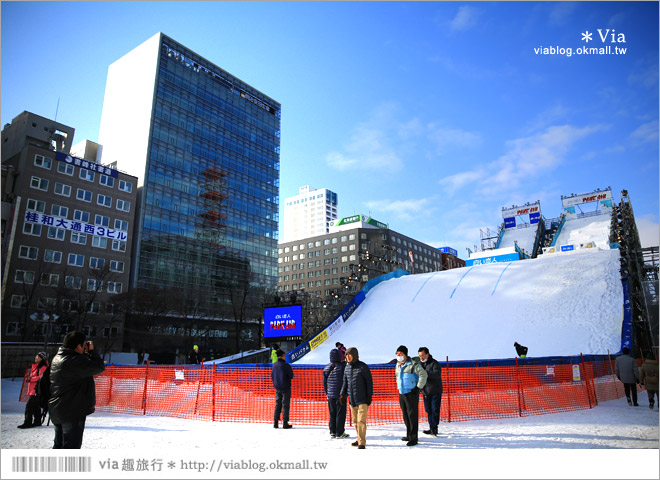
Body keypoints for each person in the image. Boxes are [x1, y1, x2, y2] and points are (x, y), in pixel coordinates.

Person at [49, 331, 105, 449]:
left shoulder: (59, 357)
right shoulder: (74, 361)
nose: (86, 346)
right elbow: (99, 367)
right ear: (79, 346)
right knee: (70, 447)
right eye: (84, 344)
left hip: (59, 408)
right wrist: (92, 352)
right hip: (72, 410)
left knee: (59, 445)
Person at [340, 347, 372, 449]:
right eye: (346, 355)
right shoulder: (347, 368)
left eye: (350, 355)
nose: (348, 357)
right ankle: (359, 438)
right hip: (352, 400)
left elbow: (369, 382)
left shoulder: (362, 367)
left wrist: (369, 395)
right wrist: (342, 394)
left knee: (361, 421)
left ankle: (362, 442)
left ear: (355, 355)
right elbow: (345, 382)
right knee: (355, 422)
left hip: (362, 399)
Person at [395, 345, 427, 446]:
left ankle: (414, 438)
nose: (398, 356)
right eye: (397, 354)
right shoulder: (398, 365)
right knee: (405, 415)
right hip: (402, 393)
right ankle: (409, 434)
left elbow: (423, 375)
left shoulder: (413, 364)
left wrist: (418, 387)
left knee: (412, 415)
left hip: (411, 393)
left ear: (405, 354)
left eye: (400, 354)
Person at [18, 352, 49, 429]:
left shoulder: (43, 367)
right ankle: (37, 421)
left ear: (42, 358)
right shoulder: (37, 366)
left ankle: (28, 422)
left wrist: (31, 379)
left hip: (37, 390)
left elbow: (41, 377)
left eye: (38, 357)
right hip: (34, 389)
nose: (36, 358)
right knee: (36, 406)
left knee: (29, 406)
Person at [323, 348, 348, 439]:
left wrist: (327, 393)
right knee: (340, 414)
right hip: (340, 395)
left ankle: (332, 431)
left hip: (330, 395)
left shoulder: (326, 368)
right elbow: (346, 380)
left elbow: (324, 383)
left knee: (332, 413)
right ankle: (340, 432)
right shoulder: (343, 367)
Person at [418, 346, 442, 437]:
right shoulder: (419, 364)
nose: (421, 357)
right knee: (428, 410)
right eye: (420, 356)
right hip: (426, 392)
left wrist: (425, 372)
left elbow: (437, 374)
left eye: (423, 355)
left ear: (427, 354)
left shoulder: (434, 363)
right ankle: (431, 426)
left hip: (435, 391)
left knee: (435, 409)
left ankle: (434, 428)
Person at [271, 349, 293, 429]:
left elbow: (272, 376)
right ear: (283, 356)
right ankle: (285, 423)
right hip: (286, 387)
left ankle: (275, 422)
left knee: (278, 404)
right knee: (285, 405)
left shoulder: (274, 365)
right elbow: (291, 375)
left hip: (277, 387)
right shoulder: (286, 365)